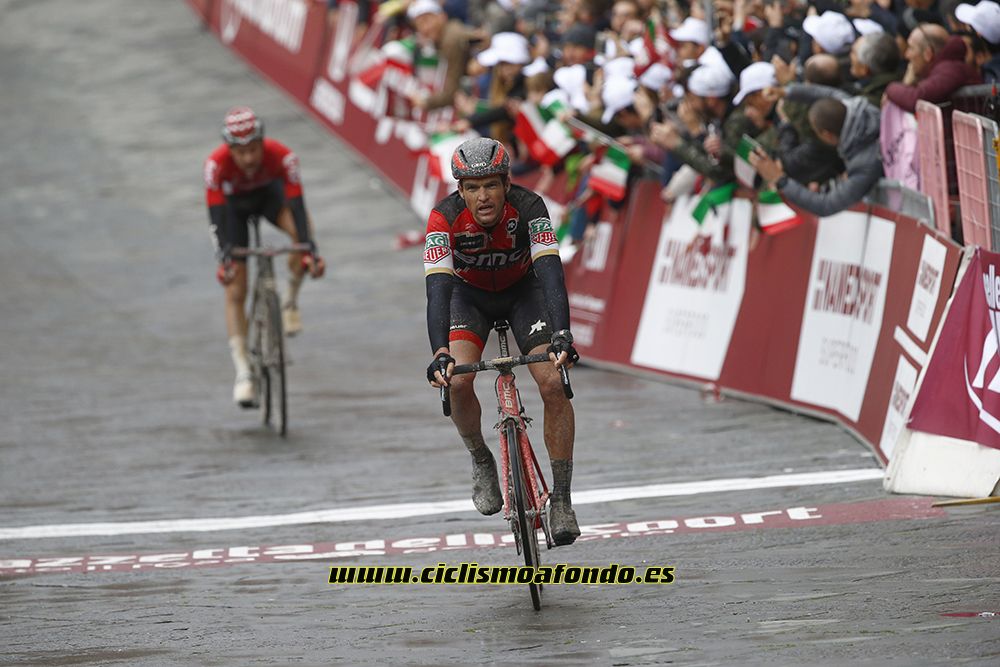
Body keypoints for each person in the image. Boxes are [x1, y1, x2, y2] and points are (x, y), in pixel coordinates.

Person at [423, 137, 582, 546]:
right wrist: (439, 352)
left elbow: (550, 272)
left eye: (490, 185)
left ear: (506, 184)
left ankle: (561, 498)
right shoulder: (443, 218)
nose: (482, 196)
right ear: (460, 190)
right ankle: (480, 457)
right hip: (468, 297)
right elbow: (438, 288)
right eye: (472, 188)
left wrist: (562, 331)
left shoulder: (531, 208)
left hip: (523, 294)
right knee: (457, 380)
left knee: (551, 381)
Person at [204, 107, 325, 406]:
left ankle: (289, 301)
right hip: (233, 208)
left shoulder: (283, 156)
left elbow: (297, 205)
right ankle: (243, 371)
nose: (248, 159)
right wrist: (225, 259)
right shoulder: (215, 165)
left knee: (303, 233)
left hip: (270, 197)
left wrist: (310, 251)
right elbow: (216, 216)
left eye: (254, 150)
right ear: (229, 149)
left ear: (263, 142)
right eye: (240, 152)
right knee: (236, 288)